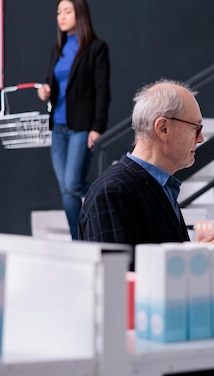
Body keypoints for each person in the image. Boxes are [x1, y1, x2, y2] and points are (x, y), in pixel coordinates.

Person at [79, 79, 214, 376]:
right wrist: (198, 262)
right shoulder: (114, 193)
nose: (201, 138)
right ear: (163, 128)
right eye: (196, 128)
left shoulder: (160, 188)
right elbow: (121, 302)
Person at [37, 0, 111, 240]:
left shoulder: (96, 48)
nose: (61, 16)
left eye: (67, 11)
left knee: (72, 184)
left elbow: (103, 90)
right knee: (67, 190)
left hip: (82, 126)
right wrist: (45, 89)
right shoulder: (56, 50)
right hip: (58, 127)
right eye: (59, 12)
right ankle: (78, 240)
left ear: (80, 15)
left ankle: (115, 191)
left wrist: (97, 127)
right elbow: (52, 82)